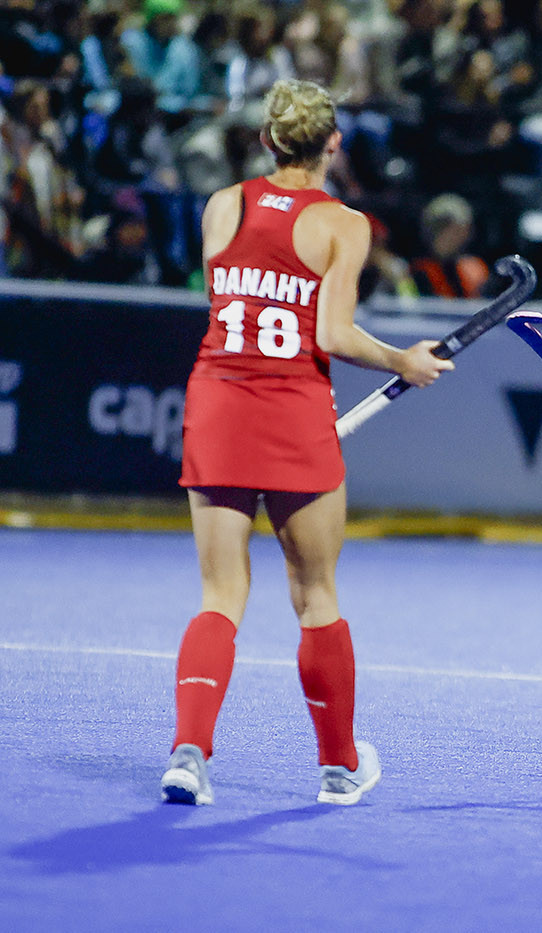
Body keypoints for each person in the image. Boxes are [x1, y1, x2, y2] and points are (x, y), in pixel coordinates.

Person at [160, 79, 452, 806]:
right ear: (334, 144)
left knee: (220, 593)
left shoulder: (222, 205)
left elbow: (230, 304)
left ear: (267, 140)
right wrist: (403, 360)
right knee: (316, 594)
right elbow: (332, 334)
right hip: (292, 410)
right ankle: (339, 767)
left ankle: (189, 754)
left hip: (218, 403)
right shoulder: (343, 224)